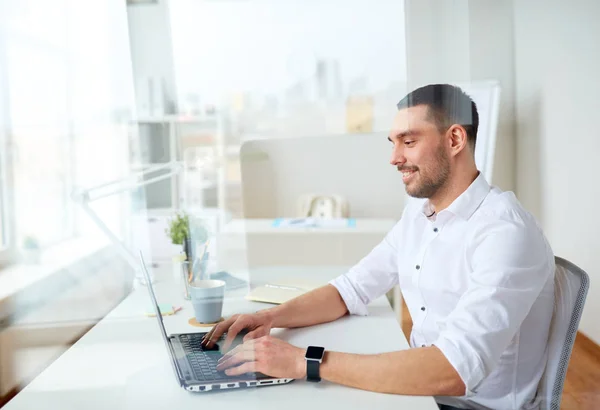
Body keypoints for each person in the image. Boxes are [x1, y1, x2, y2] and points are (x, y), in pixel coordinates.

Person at [203, 84, 555, 410]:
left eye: (408, 141)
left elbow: (454, 370)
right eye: (393, 142)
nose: (394, 157)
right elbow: (351, 289)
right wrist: (268, 318)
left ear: (455, 139)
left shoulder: (504, 233)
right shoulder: (420, 215)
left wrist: (303, 361)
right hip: (422, 388)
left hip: (465, 403)